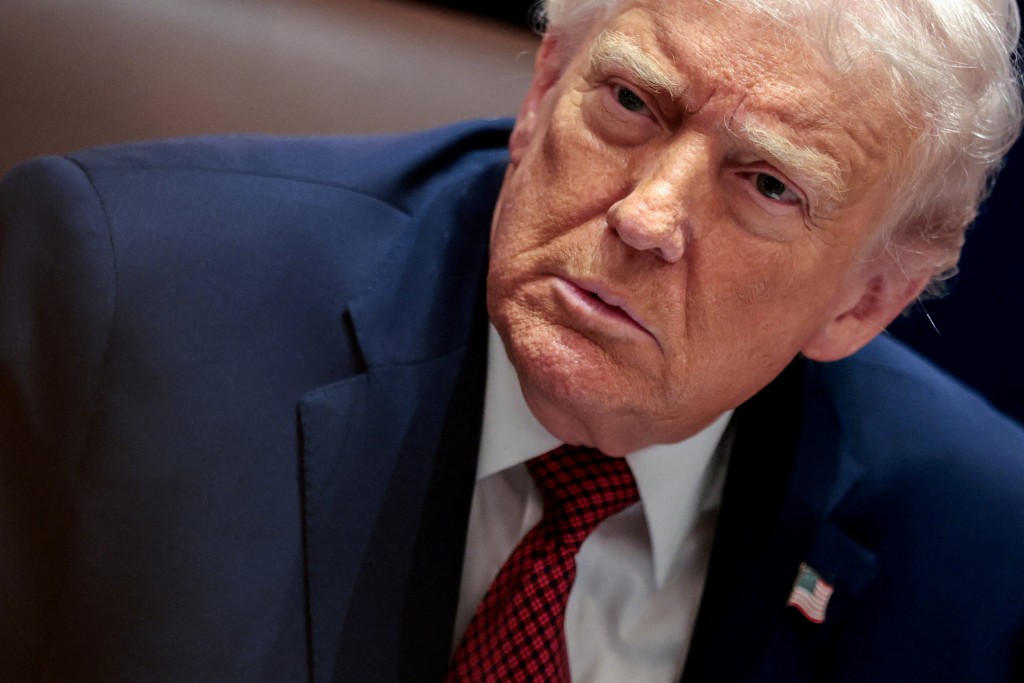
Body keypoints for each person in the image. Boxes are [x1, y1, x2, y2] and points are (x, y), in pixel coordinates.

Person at [1, 0, 1023, 680]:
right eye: (627, 102)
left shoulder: (974, 542)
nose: (646, 216)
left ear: (867, 299)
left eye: (766, 185)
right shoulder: (119, 298)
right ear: (540, 94)